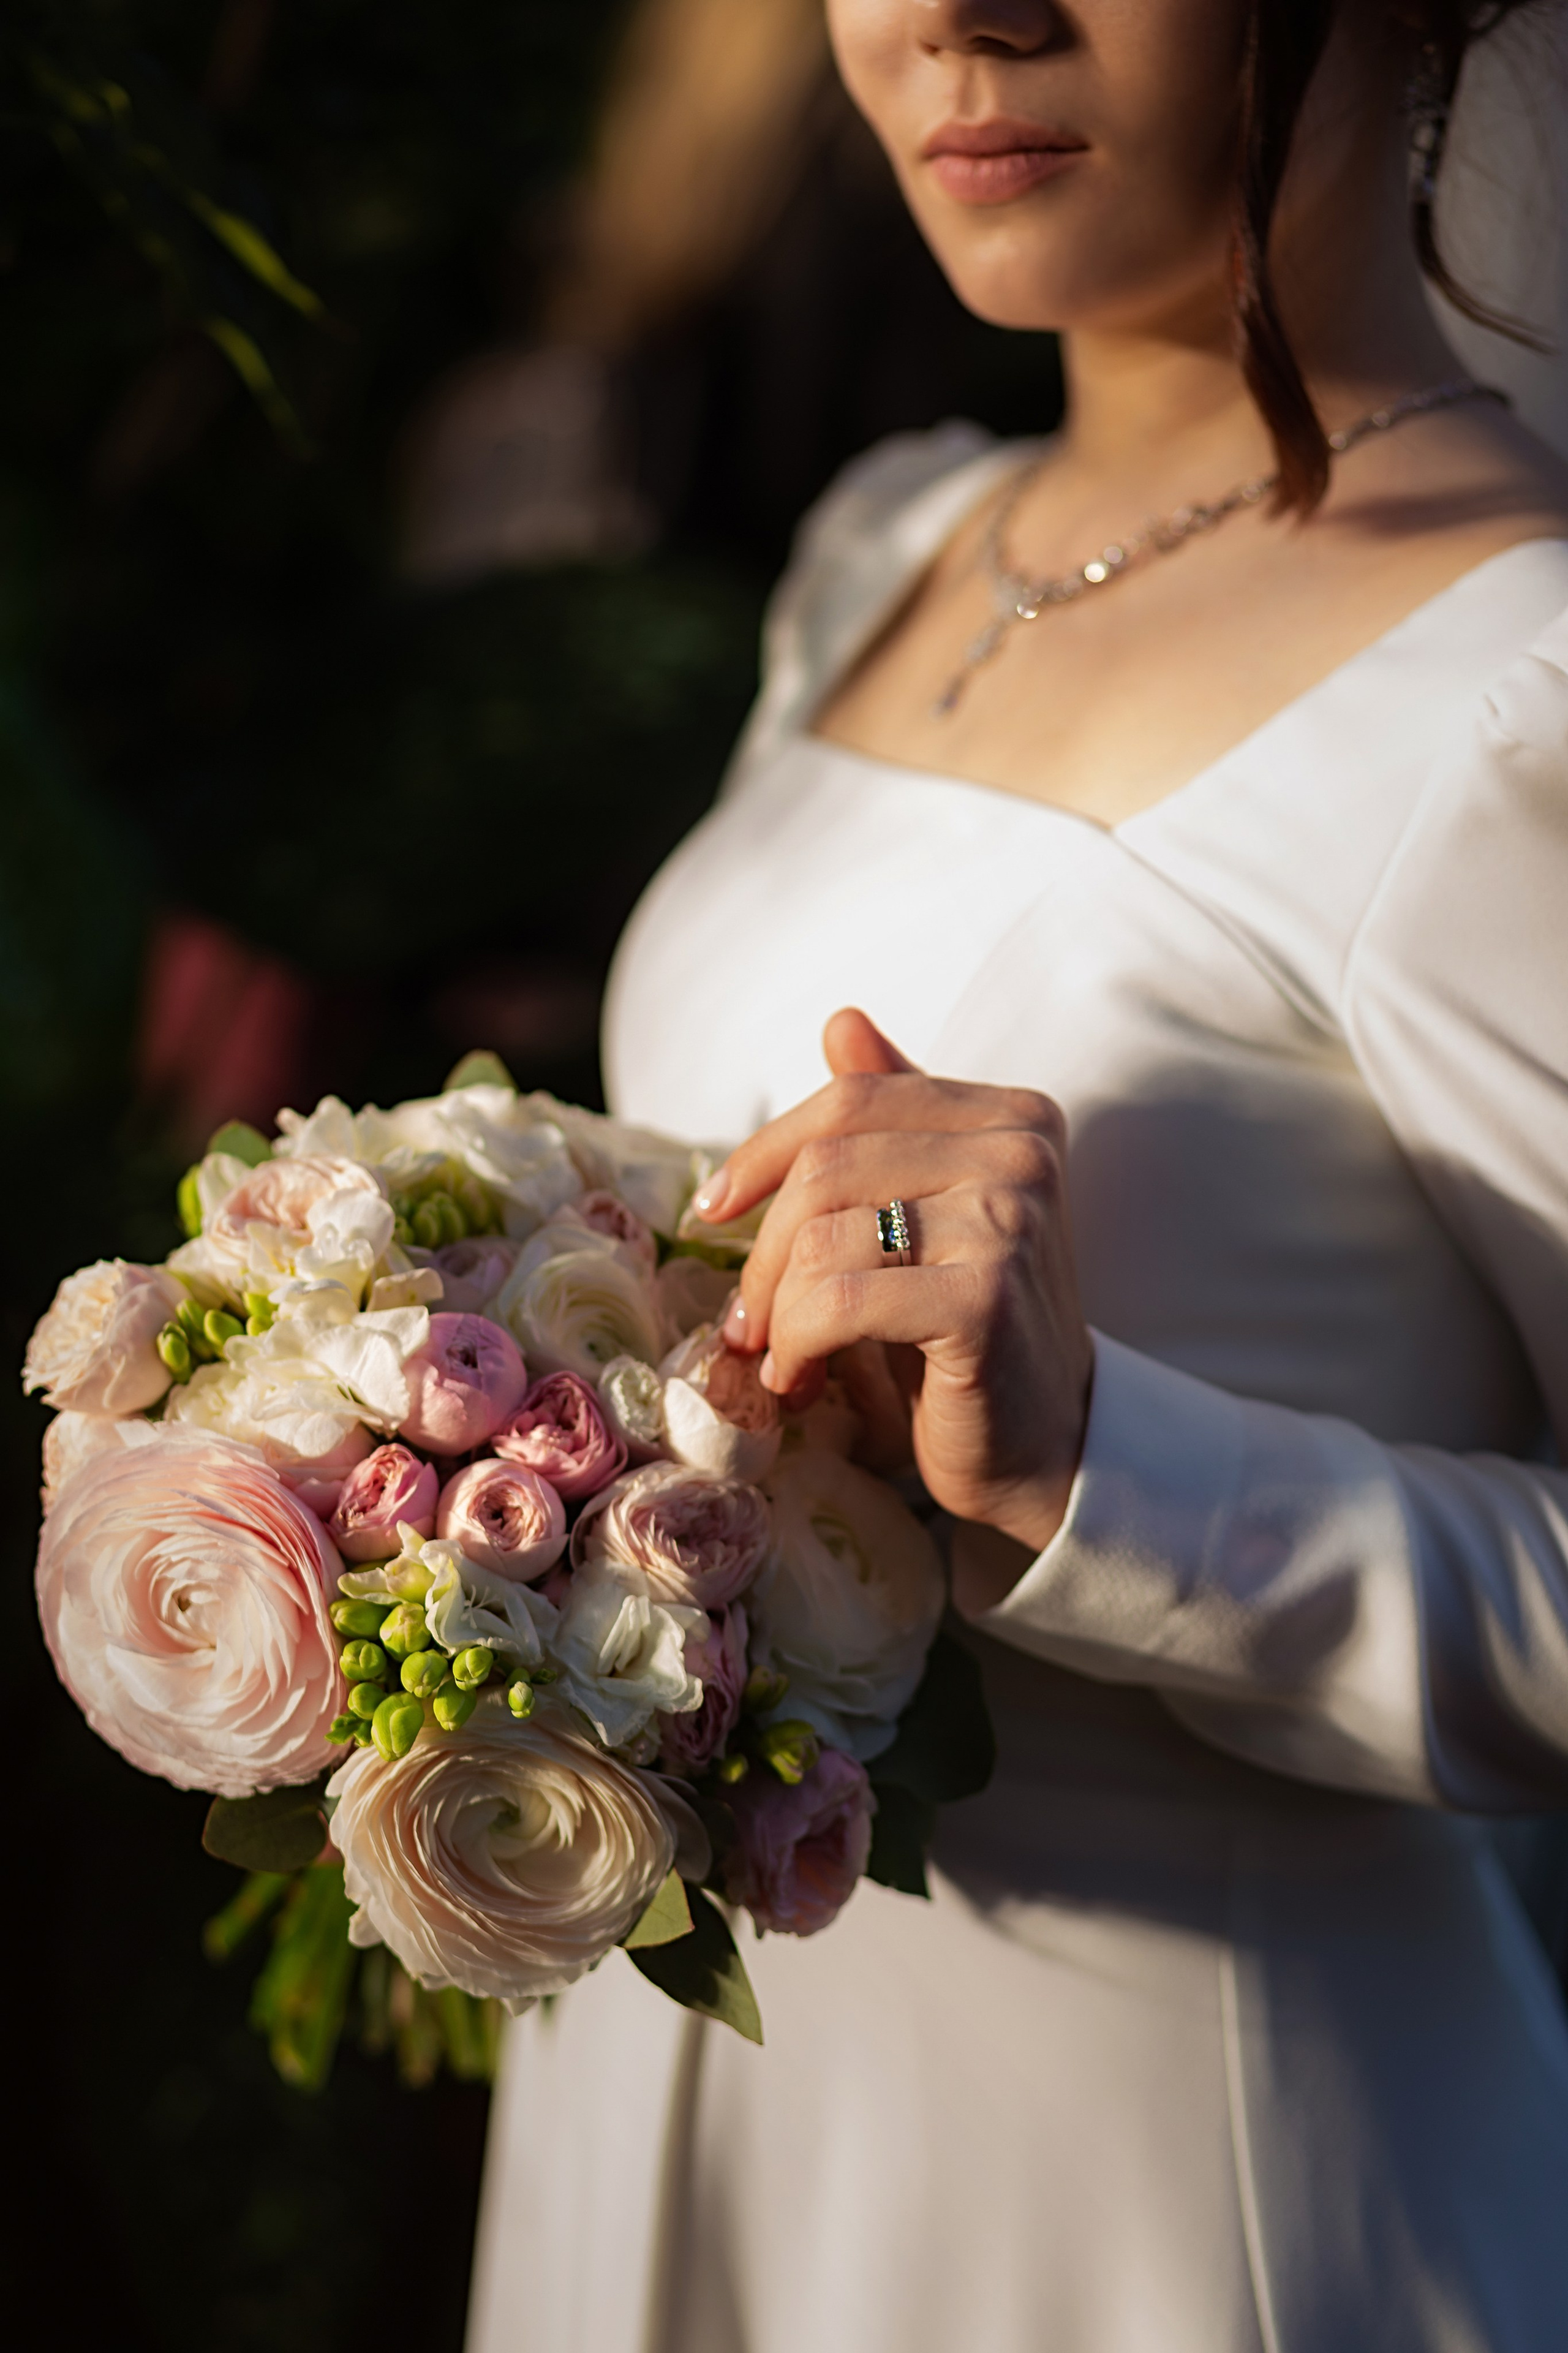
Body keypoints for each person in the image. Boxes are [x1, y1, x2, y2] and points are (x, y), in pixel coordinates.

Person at [466, 3, 1568, 2347]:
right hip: (681, 2106)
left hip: (1180, 2195)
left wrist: (1103, 1475)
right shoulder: (899, 537)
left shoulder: (1522, 691)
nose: (960, 12)